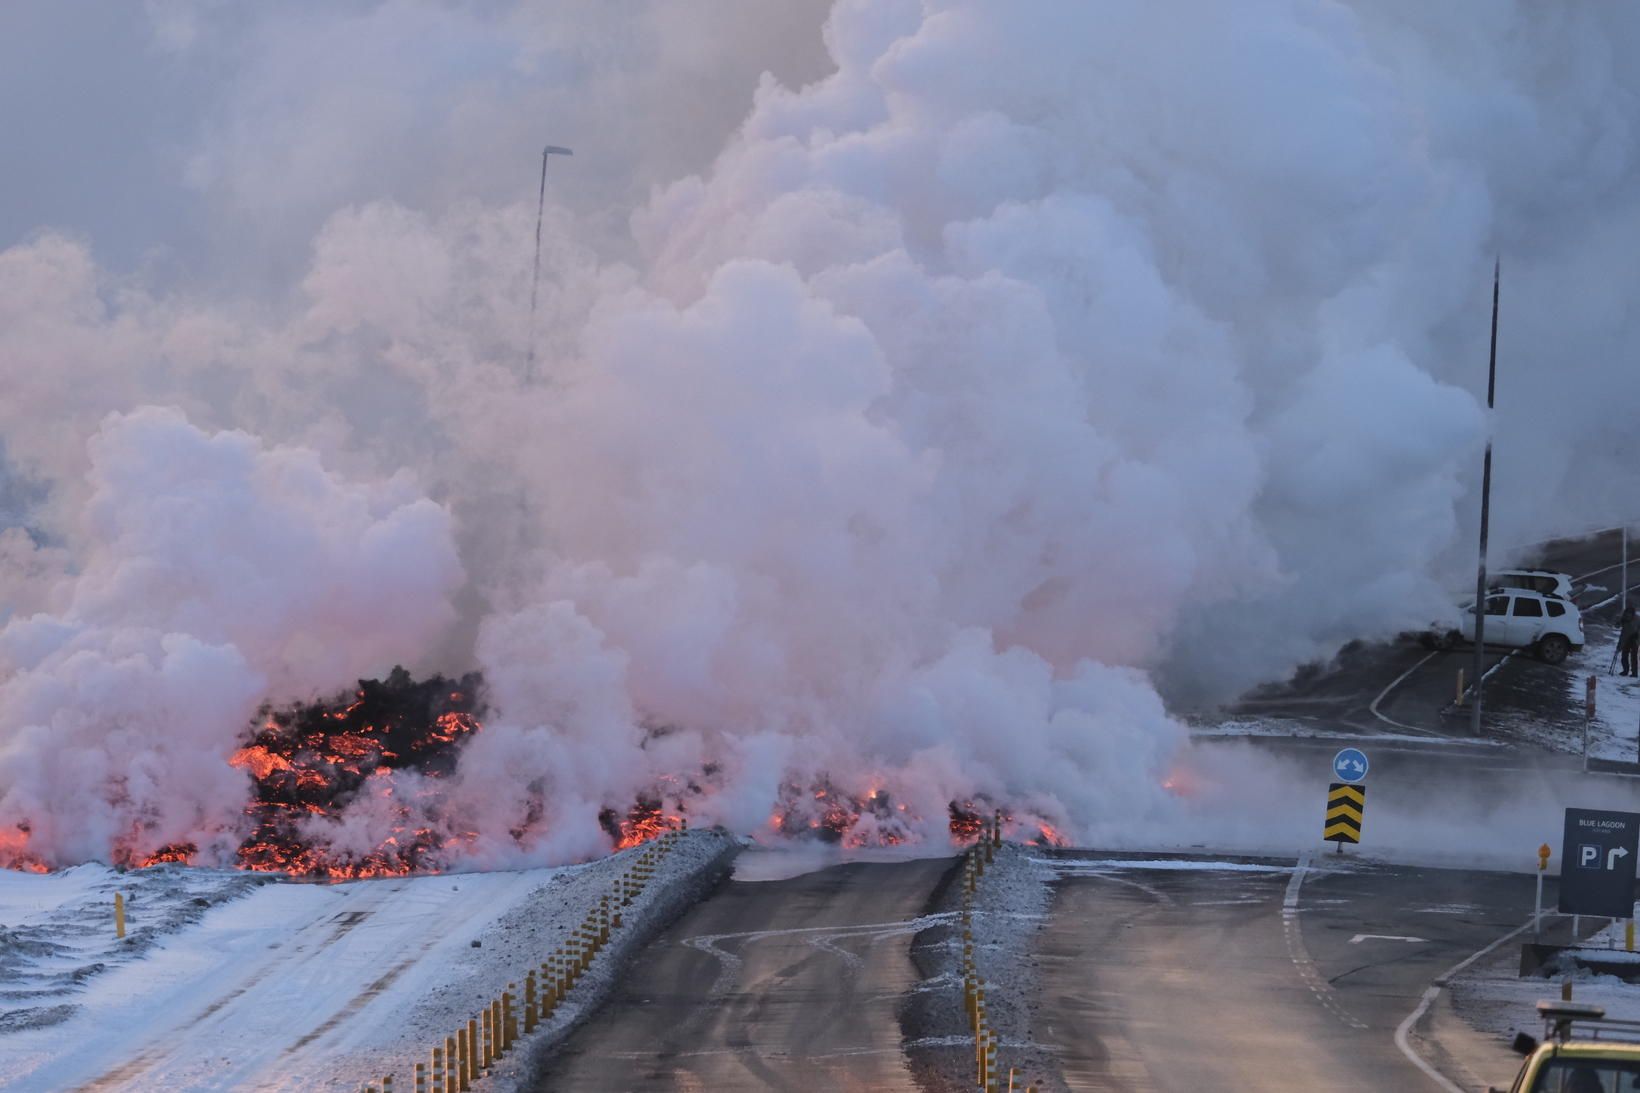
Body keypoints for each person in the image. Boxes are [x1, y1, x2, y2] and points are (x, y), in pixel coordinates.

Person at [1621, 602, 1640, 677]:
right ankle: (1625, 670)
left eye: (1629, 614)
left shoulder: (1637, 619)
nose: (1628, 615)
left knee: (1634, 656)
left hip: (1635, 639)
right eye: (1627, 614)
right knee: (1624, 655)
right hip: (1626, 638)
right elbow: (1622, 631)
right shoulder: (1624, 619)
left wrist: (1637, 634)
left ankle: (1634, 673)